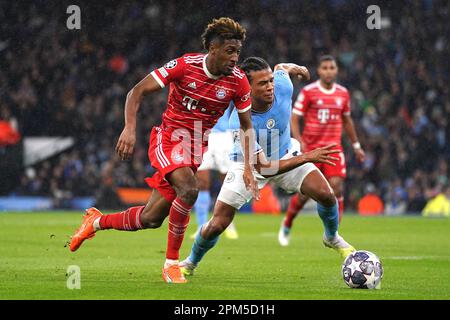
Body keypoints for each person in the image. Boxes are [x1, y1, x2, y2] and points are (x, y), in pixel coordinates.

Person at [68, 17, 259, 284]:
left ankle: (96, 222)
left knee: (150, 218)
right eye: (230, 51)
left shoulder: (238, 82)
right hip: (168, 140)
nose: (235, 58)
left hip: (194, 150)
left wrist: (248, 167)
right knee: (190, 190)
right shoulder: (185, 66)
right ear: (213, 49)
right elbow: (136, 92)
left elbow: (246, 126)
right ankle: (171, 264)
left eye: (238, 52)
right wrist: (130, 129)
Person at [180, 57, 356, 276]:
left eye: (270, 81)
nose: (270, 86)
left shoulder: (283, 86)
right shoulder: (240, 122)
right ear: (247, 87)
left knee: (326, 194)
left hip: (285, 153)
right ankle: (190, 262)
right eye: (263, 83)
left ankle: (331, 237)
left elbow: (281, 67)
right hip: (250, 166)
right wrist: (307, 157)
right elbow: (263, 168)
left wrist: (298, 67)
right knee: (218, 223)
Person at [279, 55, 365, 246]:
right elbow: (295, 117)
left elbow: (347, 120)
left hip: (333, 149)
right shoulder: (309, 92)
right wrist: (299, 140)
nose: (328, 71)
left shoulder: (343, 93)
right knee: (305, 195)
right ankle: (287, 223)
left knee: (336, 187)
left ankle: (333, 234)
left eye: (332, 67)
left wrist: (356, 145)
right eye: (325, 67)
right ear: (319, 71)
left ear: (336, 70)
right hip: (311, 149)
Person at [192, 106, 239, 240]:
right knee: (202, 182)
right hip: (200, 132)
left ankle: (228, 223)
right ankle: (201, 226)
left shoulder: (228, 84)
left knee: (228, 182)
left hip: (224, 136)